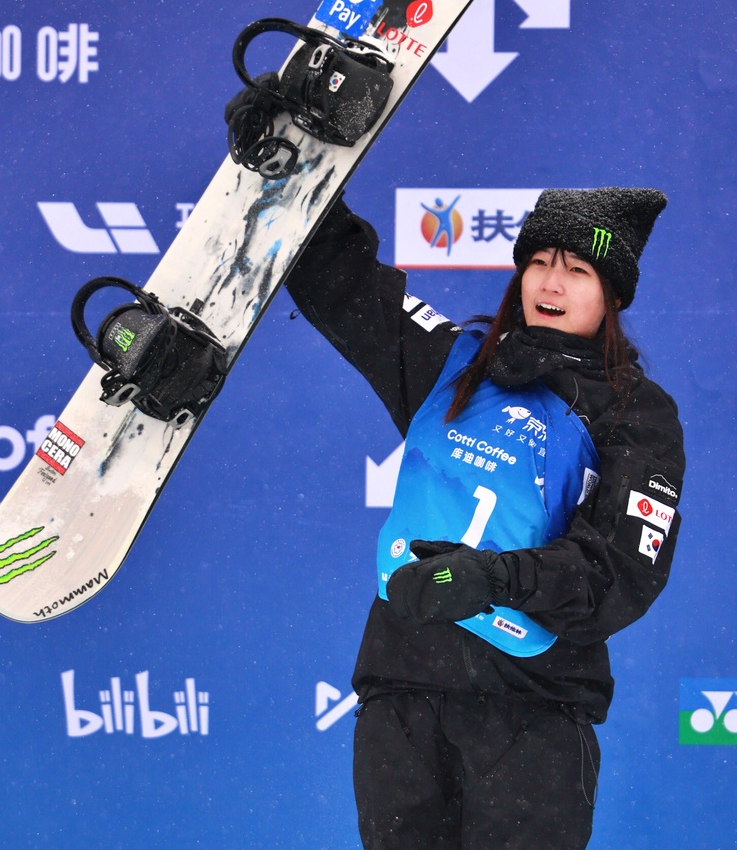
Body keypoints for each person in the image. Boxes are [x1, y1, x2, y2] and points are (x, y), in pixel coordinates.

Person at [285, 186, 685, 849]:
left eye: (578, 270)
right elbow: (342, 281)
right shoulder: (456, 362)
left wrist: (492, 578)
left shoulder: (636, 413)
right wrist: (295, 173)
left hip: (533, 710)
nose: (552, 281)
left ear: (612, 295)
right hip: (401, 696)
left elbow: (620, 574)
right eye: (539, 262)